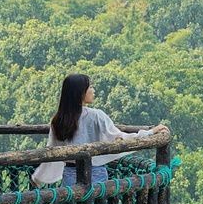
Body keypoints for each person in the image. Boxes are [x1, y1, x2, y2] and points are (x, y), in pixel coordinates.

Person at [30, 74, 167, 188]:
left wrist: (38, 179)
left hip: (69, 174)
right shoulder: (96, 116)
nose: (93, 90)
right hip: (96, 172)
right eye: (89, 87)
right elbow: (119, 138)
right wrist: (149, 133)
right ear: (80, 93)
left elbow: (52, 151)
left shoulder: (58, 120)